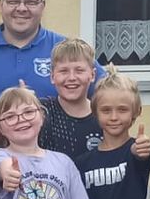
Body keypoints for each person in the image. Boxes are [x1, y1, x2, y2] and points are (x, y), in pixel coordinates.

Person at [38, 38, 104, 166]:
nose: (72, 78)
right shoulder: (42, 112)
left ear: (92, 75)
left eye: (79, 70)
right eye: (63, 71)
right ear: (52, 76)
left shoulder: (104, 115)